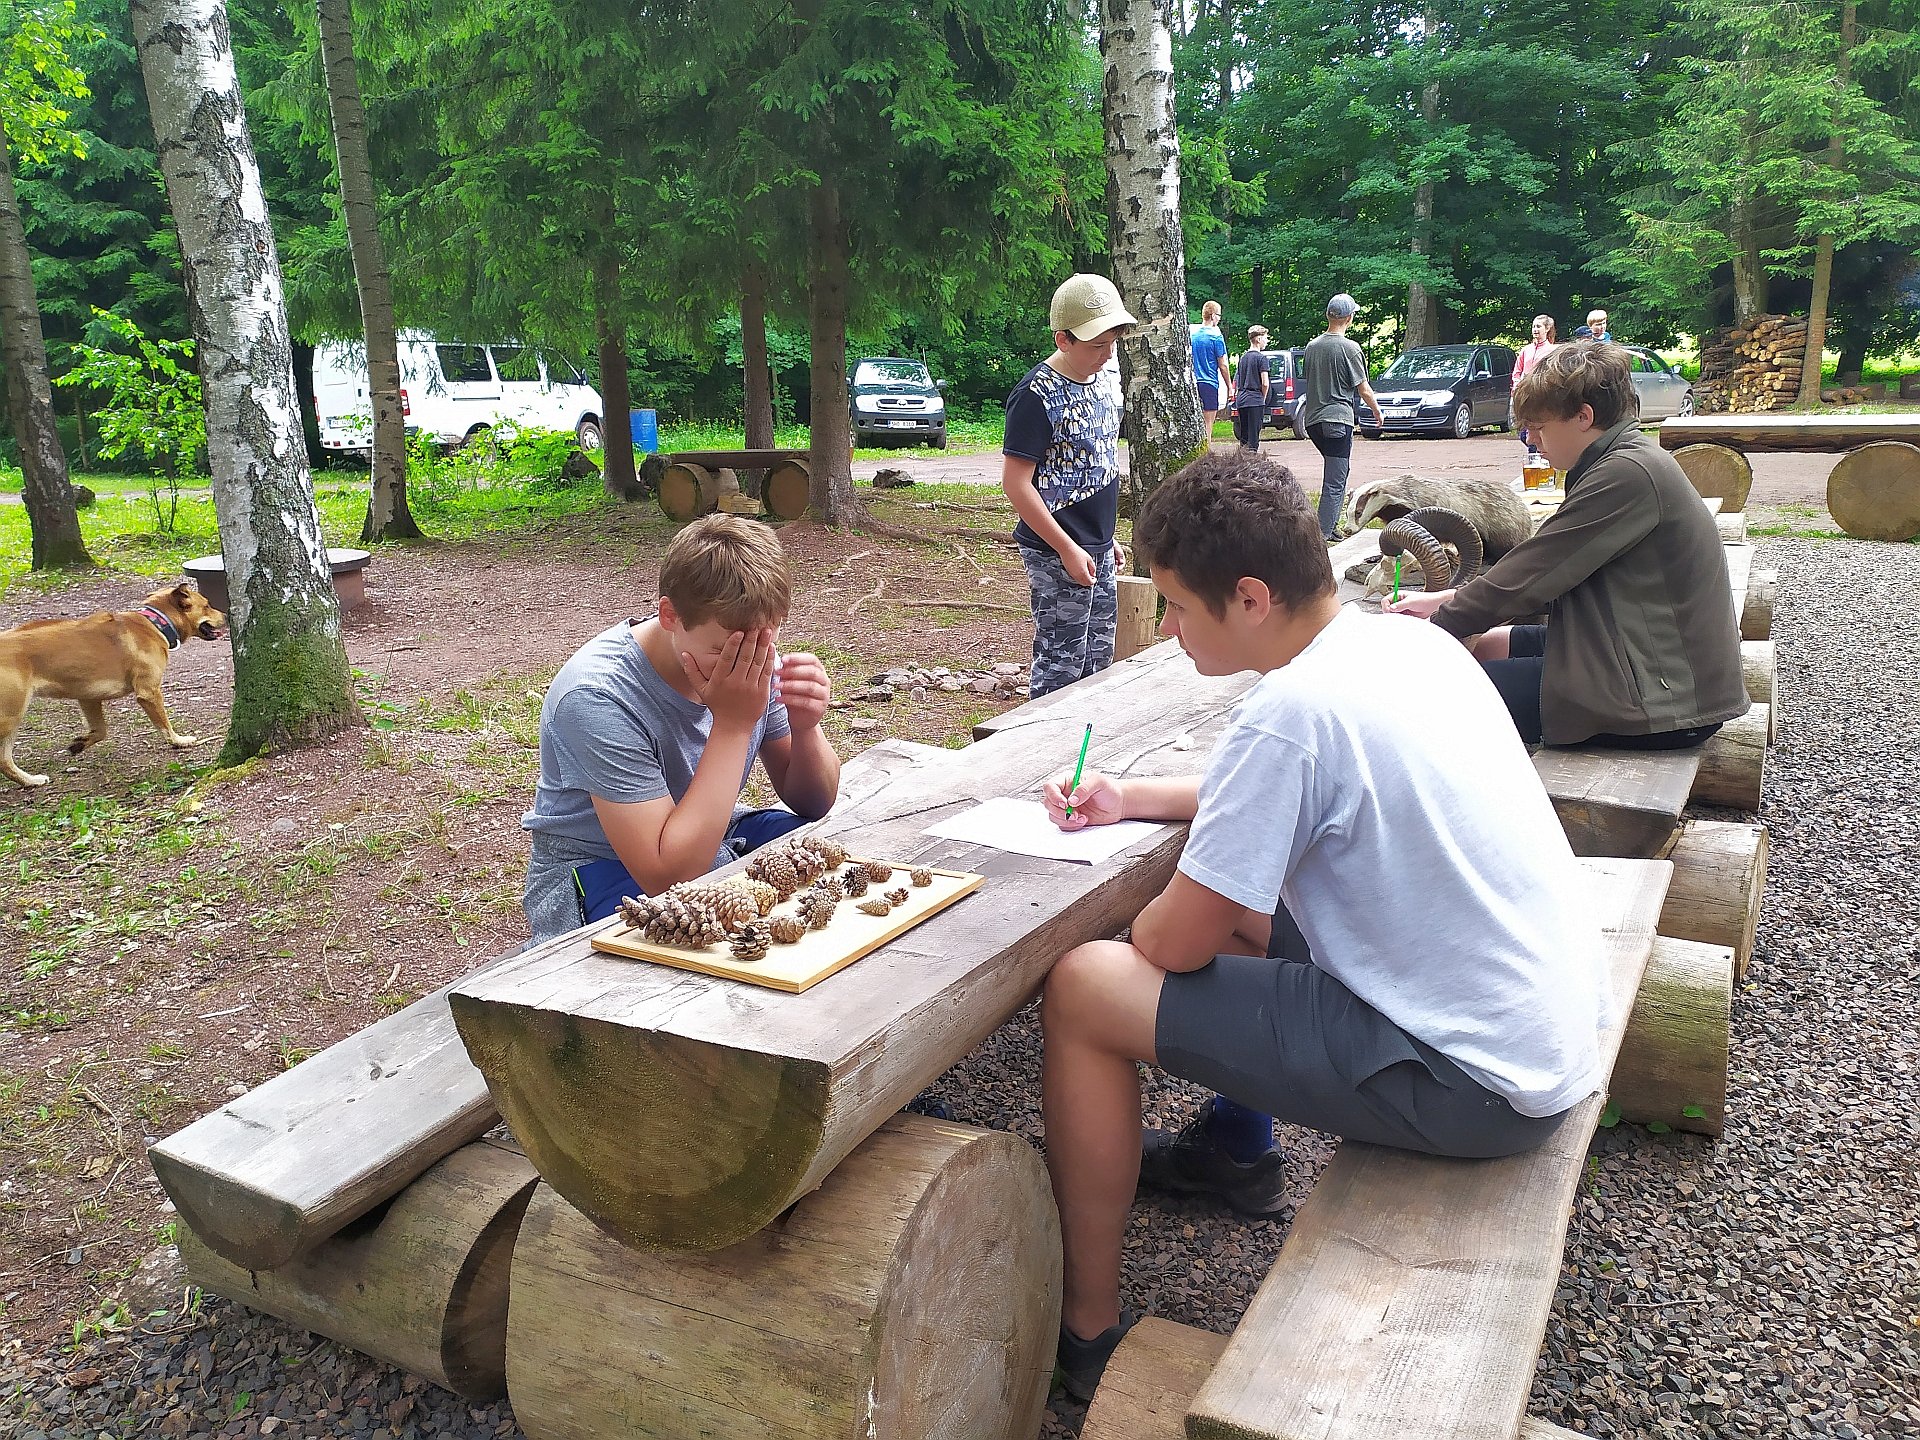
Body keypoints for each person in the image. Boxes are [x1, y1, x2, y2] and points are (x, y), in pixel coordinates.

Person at [1037, 449, 1606, 1399]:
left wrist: (1157, 923)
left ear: (1250, 598)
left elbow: (1173, 944)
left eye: (1176, 607)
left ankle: (1086, 1330)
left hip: (1473, 1082)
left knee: (1087, 987)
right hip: (1540, 1028)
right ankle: (1234, 1149)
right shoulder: (1403, 645)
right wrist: (1130, 797)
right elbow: (1292, 787)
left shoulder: (1289, 713)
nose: (1168, 630)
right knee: (1244, 914)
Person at [1385, 341, 1748, 748]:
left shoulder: (1627, 474)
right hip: (1634, 654)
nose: (1532, 440)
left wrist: (1434, 630)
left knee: (1430, 695)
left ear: (1583, 416)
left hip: (1665, 699)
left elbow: (1531, 576)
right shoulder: (1621, 459)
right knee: (1486, 645)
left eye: (1539, 427)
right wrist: (1443, 601)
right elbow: (1549, 576)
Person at [520, 514, 840, 942]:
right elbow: (666, 875)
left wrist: (806, 728)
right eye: (723, 650)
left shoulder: (749, 655)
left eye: (763, 643)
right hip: (600, 868)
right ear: (670, 615)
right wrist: (734, 724)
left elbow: (813, 801)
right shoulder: (596, 696)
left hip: (708, 835)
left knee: (826, 862)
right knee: (699, 934)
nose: (745, 662)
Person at [1003, 273, 1137, 699]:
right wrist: (1066, 548)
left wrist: (1106, 538)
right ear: (1063, 340)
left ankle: (1087, 739)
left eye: (1112, 343)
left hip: (1096, 545)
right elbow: (1015, 484)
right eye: (1096, 345)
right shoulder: (1035, 395)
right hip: (1055, 550)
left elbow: (1098, 462)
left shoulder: (1105, 378)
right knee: (1061, 665)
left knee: (1098, 661)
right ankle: (1044, 739)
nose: (1107, 353)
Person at [1299, 294, 1385, 539]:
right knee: (1335, 479)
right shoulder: (1350, 348)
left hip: (1313, 421)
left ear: (1329, 315)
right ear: (1349, 318)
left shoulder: (1312, 347)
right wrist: (1377, 411)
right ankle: (1323, 533)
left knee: (1339, 472)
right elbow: (1363, 388)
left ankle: (1329, 526)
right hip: (1337, 420)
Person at [1513, 314, 1557, 454]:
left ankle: (1538, 456)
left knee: (1536, 428)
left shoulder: (1552, 350)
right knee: (1523, 432)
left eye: (1538, 326)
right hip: (1524, 396)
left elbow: (1553, 374)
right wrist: (1517, 386)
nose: (1535, 329)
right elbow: (1517, 372)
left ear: (1547, 328)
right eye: (1533, 327)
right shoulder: (1526, 350)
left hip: (1541, 396)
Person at [1190, 301, 1232, 436]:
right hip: (1209, 384)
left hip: (1192, 383)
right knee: (1207, 425)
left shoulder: (1192, 336)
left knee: (1194, 425)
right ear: (1213, 316)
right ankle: (1206, 449)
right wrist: (1229, 387)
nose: (1219, 319)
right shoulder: (1216, 337)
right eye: (1219, 315)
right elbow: (1223, 365)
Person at [1230, 326, 1270, 452]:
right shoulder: (1261, 358)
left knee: (1244, 437)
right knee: (1253, 438)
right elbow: (1265, 383)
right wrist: (1262, 398)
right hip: (1255, 399)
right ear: (1258, 339)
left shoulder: (1243, 358)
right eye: (1265, 338)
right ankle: (1252, 460)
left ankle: (1243, 459)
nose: (1267, 341)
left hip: (1242, 400)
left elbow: (1238, 379)